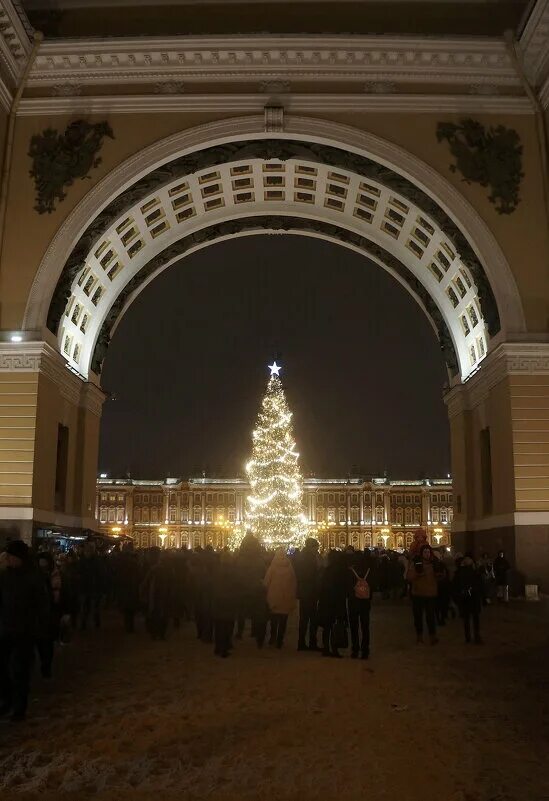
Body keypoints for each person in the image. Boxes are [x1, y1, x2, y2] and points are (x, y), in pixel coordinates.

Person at [0, 540, 49, 721]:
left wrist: (37, 628)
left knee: (20, 670)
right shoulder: (5, 577)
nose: (9, 559)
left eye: (11, 556)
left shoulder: (33, 578)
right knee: (3, 667)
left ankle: (19, 707)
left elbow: (42, 606)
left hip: (25, 631)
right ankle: (7, 700)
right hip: (5, 629)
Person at [36, 552, 65, 677]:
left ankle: (46, 666)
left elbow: (64, 596)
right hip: (38, 615)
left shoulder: (56, 576)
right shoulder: (34, 576)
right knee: (41, 642)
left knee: (47, 642)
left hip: (52, 613)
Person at [263, 548, 297, 649]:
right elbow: (294, 582)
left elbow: (266, 582)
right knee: (283, 621)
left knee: (274, 620)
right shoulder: (290, 568)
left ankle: (272, 637)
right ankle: (279, 640)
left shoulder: (272, 567)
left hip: (274, 598)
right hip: (286, 598)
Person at [317, 550, 348, 658]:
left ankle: (326, 648)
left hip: (325, 601)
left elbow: (321, 586)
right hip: (336, 601)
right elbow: (342, 588)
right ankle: (334, 648)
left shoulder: (326, 570)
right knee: (335, 625)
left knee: (327, 626)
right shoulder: (340, 571)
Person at [407, 544, 439, 645]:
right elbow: (409, 577)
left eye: (428, 552)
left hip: (430, 593)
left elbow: (439, 577)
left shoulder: (435, 564)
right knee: (418, 617)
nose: (427, 554)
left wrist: (440, 575)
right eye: (425, 552)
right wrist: (418, 574)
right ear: (421, 553)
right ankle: (419, 636)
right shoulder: (416, 564)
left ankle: (432, 636)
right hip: (418, 594)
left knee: (431, 617)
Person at [294, 537, 320, 651]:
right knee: (312, 619)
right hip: (310, 591)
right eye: (316, 547)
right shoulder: (309, 559)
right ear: (311, 547)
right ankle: (311, 643)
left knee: (304, 619)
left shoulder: (301, 557)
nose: (317, 550)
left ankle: (301, 642)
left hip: (304, 592)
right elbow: (311, 575)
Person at [452, 554, 483, 644]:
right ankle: (468, 636)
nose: (467, 560)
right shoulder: (460, 572)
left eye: (469, 559)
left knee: (475, 618)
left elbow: (479, 583)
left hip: (474, 597)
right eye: (466, 559)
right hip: (465, 598)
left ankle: (476, 635)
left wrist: (476, 591)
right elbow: (456, 585)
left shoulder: (475, 571)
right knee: (466, 619)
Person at [347, 550, 372, 659]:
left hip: (353, 601)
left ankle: (355, 649)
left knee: (354, 626)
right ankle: (365, 650)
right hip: (365, 602)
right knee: (365, 626)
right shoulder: (369, 570)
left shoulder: (350, 571)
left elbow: (347, 586)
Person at [212, 552, 237, 658]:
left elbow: (212, 585)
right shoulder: (233, 571)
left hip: (218, 600)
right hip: (229, 601)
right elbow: (236, 585)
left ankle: (218, 647)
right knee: (227, 626)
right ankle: (225, 647)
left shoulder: (217, 570)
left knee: (218, 625)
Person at [117, 544, 142, 633]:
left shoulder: (120, 562)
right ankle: (130, 626)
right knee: (130, 609)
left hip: (125, 587)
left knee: (127, 609)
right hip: (132, 588)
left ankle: (128, 626)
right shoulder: (135, 563)